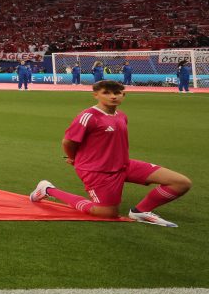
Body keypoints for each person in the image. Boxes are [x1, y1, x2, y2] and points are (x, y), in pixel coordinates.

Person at [30, 80, 192, 227]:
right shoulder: (88, 117)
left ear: (123, 95)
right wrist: (74, 158)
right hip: (98, 171)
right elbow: (68, 142)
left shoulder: (121, 116)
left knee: (181, 183)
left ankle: (140, 211)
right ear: (96, 95)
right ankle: (48, 189)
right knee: (107, 214)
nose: (112, 96)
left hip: (124, 164)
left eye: (117, 93)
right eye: (106, 93)